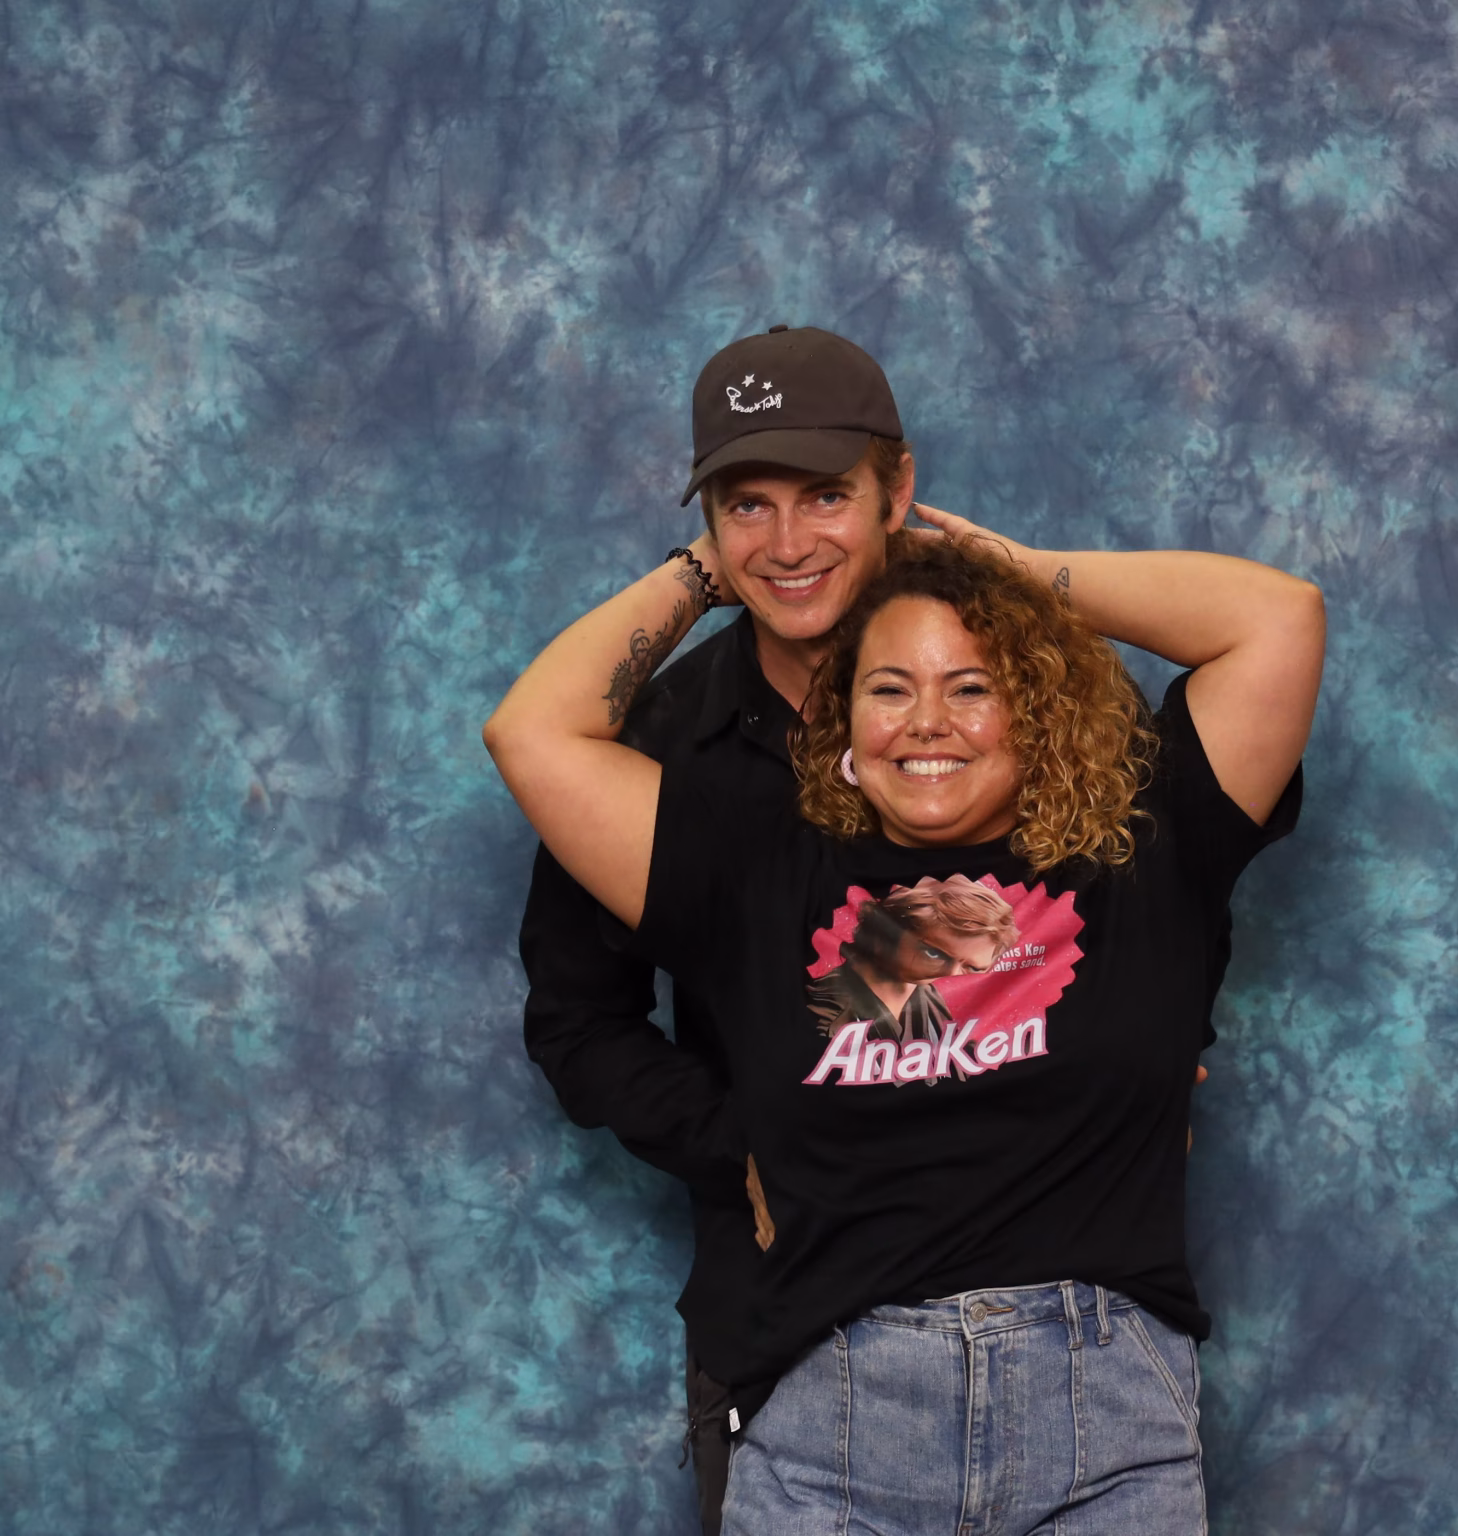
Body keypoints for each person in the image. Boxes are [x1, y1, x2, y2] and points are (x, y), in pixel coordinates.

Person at [485, 498, 1325, 1530]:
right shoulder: (758, 877)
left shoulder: (1142, 851)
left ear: (1036, 706)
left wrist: (1012, 568)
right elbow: (531, 731)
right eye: (890, 689)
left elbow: (1280, 618)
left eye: (973, 687)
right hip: (833, 1441)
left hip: (1104, 1443)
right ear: (843, 723)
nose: (927, 720)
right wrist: (711, 569)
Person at [514, 324, 916, 1533]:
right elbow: (579, 1022)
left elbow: (1152, 878)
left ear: (896, 490)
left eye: (825, 496)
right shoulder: (648, 744)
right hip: (781, 1323)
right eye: (748, 506)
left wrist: (1159, 1047)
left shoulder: (1006, 700)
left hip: (1031, 1308)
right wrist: (752, 1146)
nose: (787, 546)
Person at [806, 875, 1020, 1048]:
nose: (953, 974)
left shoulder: (929, 999)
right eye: (935, 954)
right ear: (884, 935)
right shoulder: (827, 1010)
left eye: (971, 967)